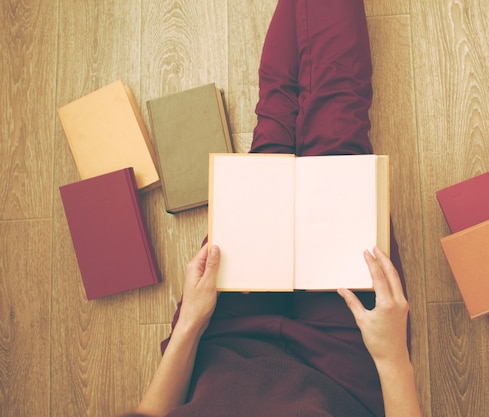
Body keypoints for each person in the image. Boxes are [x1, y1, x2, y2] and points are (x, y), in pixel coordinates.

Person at [131, 0, 422, 416]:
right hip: (343, 377)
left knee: (273, 136)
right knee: (337, 129)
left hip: (218, 344)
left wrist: (190, 323)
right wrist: (394, 358)